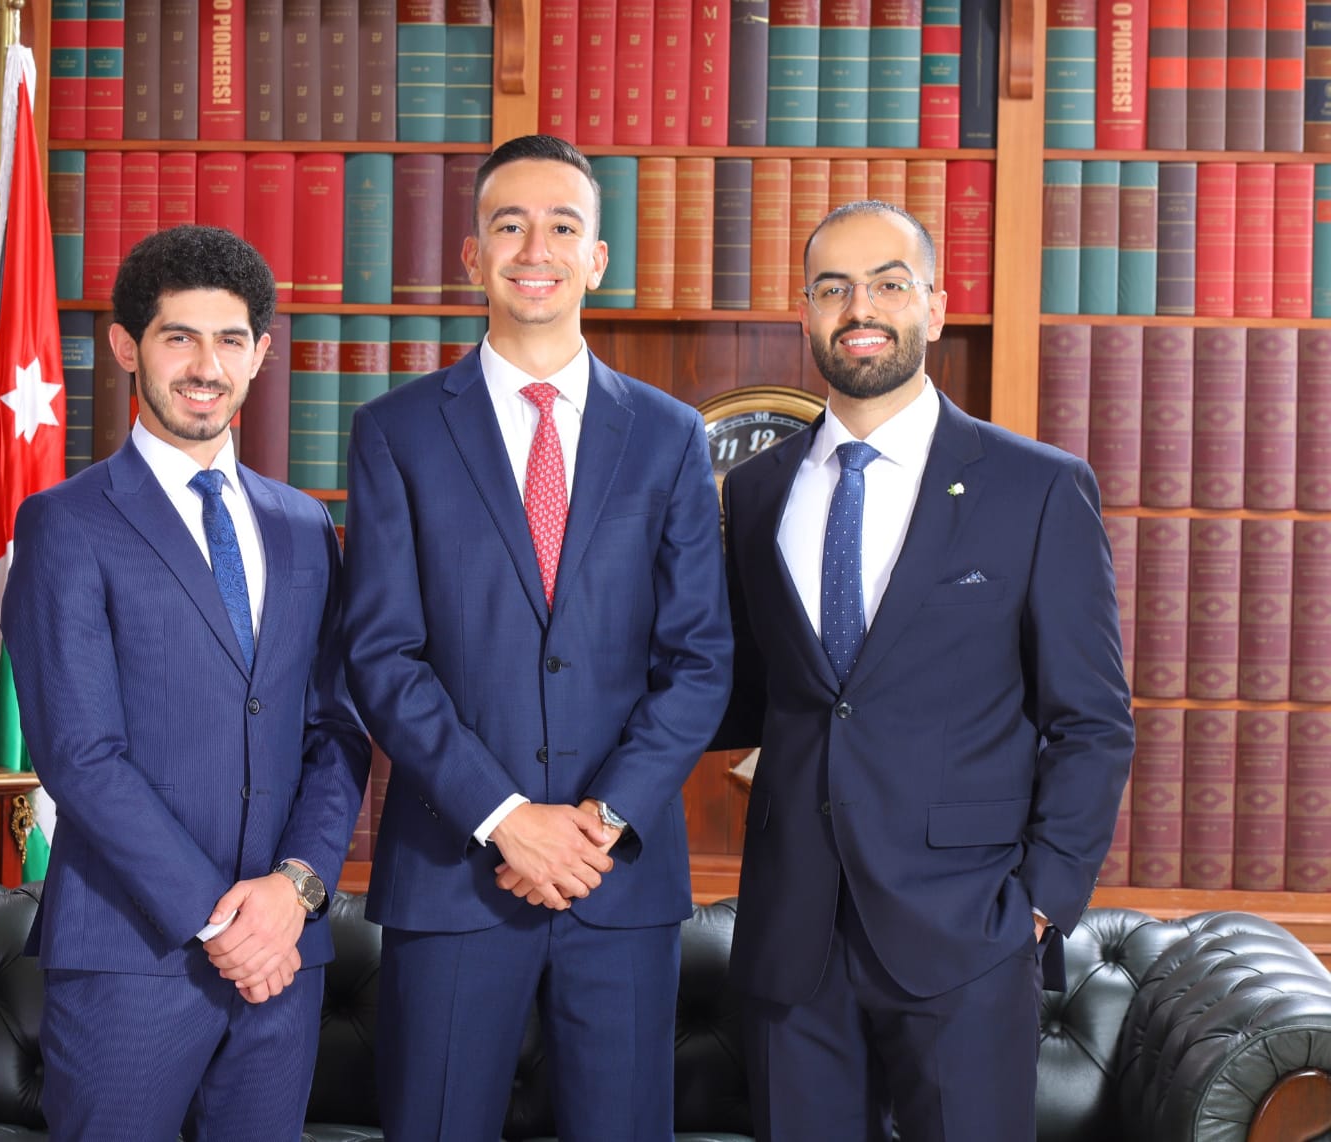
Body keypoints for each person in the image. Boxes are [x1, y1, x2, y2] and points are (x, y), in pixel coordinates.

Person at [340, 134, 734, 1141]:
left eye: (562, 226)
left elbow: (699, 659)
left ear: (596, 259)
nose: (534, 248)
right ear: (472, 255)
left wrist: (597, 821)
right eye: (508, 224)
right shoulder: (396, 431)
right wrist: (506, 816)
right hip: (451, 874)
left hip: (619, 876)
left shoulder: (668, 435)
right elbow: (382, 654)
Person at [715, 200, 1134, 1141]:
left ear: (936, 308)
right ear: (804, 312)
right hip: (792, 934)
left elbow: (1092, 721)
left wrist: (1039, 904)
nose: (860, 308)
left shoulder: (1036, 487)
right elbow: (744, 693)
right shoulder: (756, 489)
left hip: (968, 934)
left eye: (889, 284)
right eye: (834, 288)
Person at [1, 224, 370, 1142]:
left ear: (261, 354)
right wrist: (223, 923)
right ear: (127, 347)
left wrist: (295, 889)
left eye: (231, 340)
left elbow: (337, 730)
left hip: (285, 955)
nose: (207, 367)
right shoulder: (64, 524)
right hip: (129, 955)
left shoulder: (305, 526)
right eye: (179, 338)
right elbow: (80, 756)